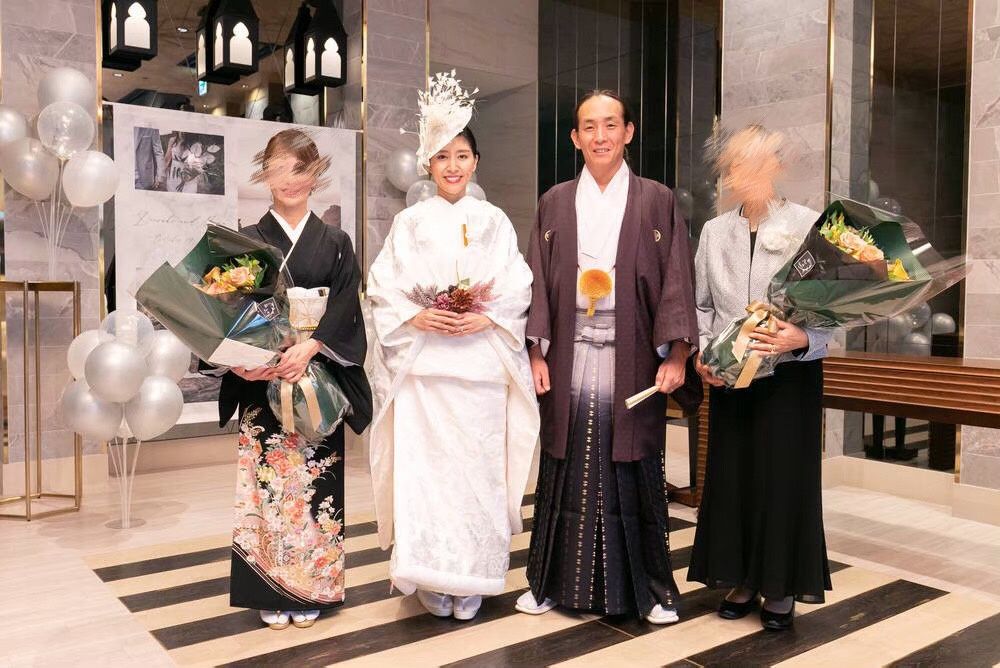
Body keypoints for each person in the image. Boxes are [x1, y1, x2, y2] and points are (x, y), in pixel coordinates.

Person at [518, 89, 700, 624]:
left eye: (611, 125)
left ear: (628, 132)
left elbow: (677, 279)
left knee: (634, 462)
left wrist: (678, 353)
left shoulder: (657, 199)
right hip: (569, 350)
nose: (601, 136)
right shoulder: (554, 202)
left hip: (634, 355)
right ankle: (549, 584)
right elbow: (536, 282)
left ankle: (650, 590)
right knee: (564, 461)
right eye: (589, 127)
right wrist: (536, 352)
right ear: (575, 138)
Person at [367, 72, 539, 622]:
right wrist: (416, 314)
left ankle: (475, 575)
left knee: (477, 476)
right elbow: (383, 286)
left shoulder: (495, 221)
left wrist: (486, 315)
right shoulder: (409, 222)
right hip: (425, 371)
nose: (452, 166)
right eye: (442, 157)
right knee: (427, 477)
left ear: (476, 162)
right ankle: (430, 575)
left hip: (480, 369)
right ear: (428, 164)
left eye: (462, 156)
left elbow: (518, 285)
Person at [211, 128, 372, 630]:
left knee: (316, 484)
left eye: (300, 169)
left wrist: (313, 345)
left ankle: (312, 586)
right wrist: (240, 362)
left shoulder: (337, 242)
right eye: (278, 169)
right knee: (268, 489)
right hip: (263, 381)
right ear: (264, 174)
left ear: (315, 174)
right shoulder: (246, 239)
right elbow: (224, 314)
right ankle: (269, 587)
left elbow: (345, 308)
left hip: (317, 381)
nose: (290, 179)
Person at [687, 124, 834, 632]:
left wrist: (803, 338)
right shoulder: (714, 232)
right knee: (734, 477)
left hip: (789, 379)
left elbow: (834, 310)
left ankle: (780, 584)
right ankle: (742, 578)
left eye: (752, 162)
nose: (740, 173)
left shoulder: (808, 225)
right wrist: (704, 353)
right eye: (733, 164)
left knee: (783, 480)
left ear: (775, 165)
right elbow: (701, 305)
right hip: (732, 380)